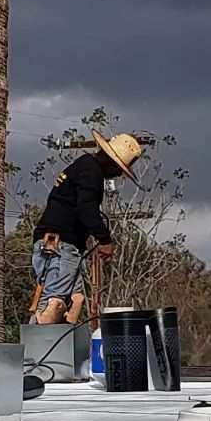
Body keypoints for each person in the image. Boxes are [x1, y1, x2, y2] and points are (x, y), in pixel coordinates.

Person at [30, 131, 142, 324]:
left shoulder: (82, 166)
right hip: (61, 245)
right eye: (117, 168)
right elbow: (86, 208)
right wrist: (104, 239)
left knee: (74, 302)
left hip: (53, 243)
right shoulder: (92, 172)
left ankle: (58, 351)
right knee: (52, 306)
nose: (116, 174)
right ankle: (35, 352)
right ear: (110, 161)